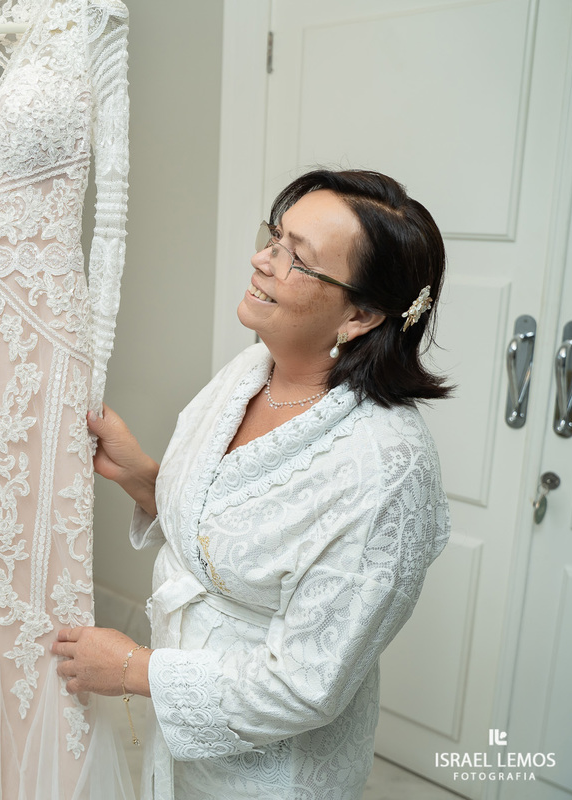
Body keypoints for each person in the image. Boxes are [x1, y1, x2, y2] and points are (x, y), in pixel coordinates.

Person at [52, 169, 452, 799]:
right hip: (185, 752)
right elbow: (239, 535)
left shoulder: (383, 470)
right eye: (275, 236)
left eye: (298, 258)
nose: (261, 260)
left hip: (273, 775)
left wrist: (134, 670)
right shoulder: (255, 368)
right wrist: (147, 481)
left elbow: (305, 684)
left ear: (362, 314)